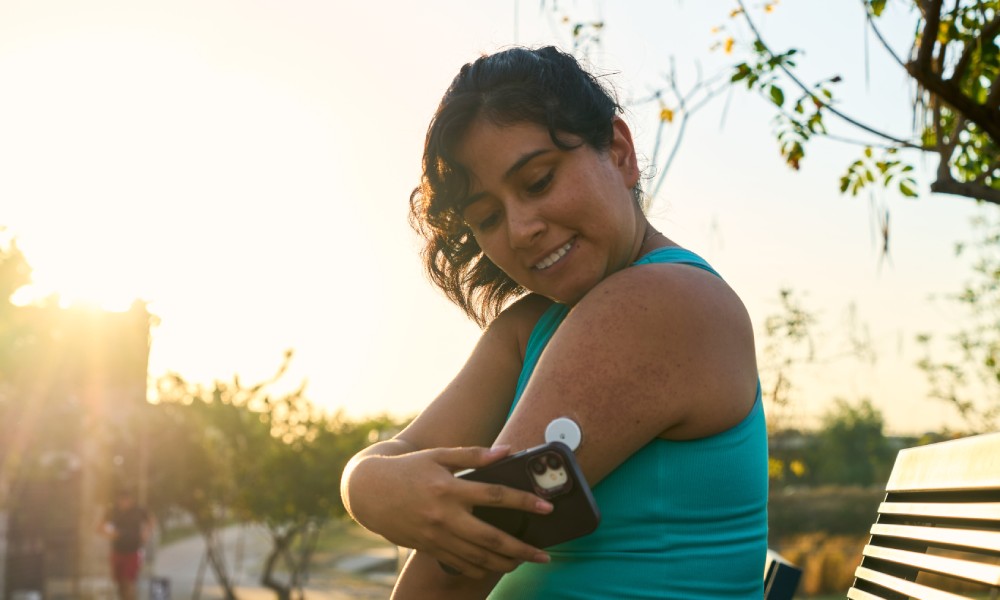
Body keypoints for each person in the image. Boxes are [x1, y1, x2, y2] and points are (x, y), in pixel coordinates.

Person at [340, 45, 768, 599]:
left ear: (618, 152)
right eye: (488, 217)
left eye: (538, 181)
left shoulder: (661, 303)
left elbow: (451, 579)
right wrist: (367, 483)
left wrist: (380, 488)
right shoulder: (531, 327)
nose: (520, 230)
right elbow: (395, 455)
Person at [97, 488, 154, 600]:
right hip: (117, 552)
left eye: (127, 500)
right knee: (120, 585)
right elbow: (99, 527)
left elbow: (151, 521)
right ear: (118, 500)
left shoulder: (139, 510)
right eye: (122, 500)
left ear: (132, 500)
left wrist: (146, 532)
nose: (125, 502)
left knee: (128, 582)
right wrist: (110, 534)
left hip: (133, 552)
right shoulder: (112, 511)